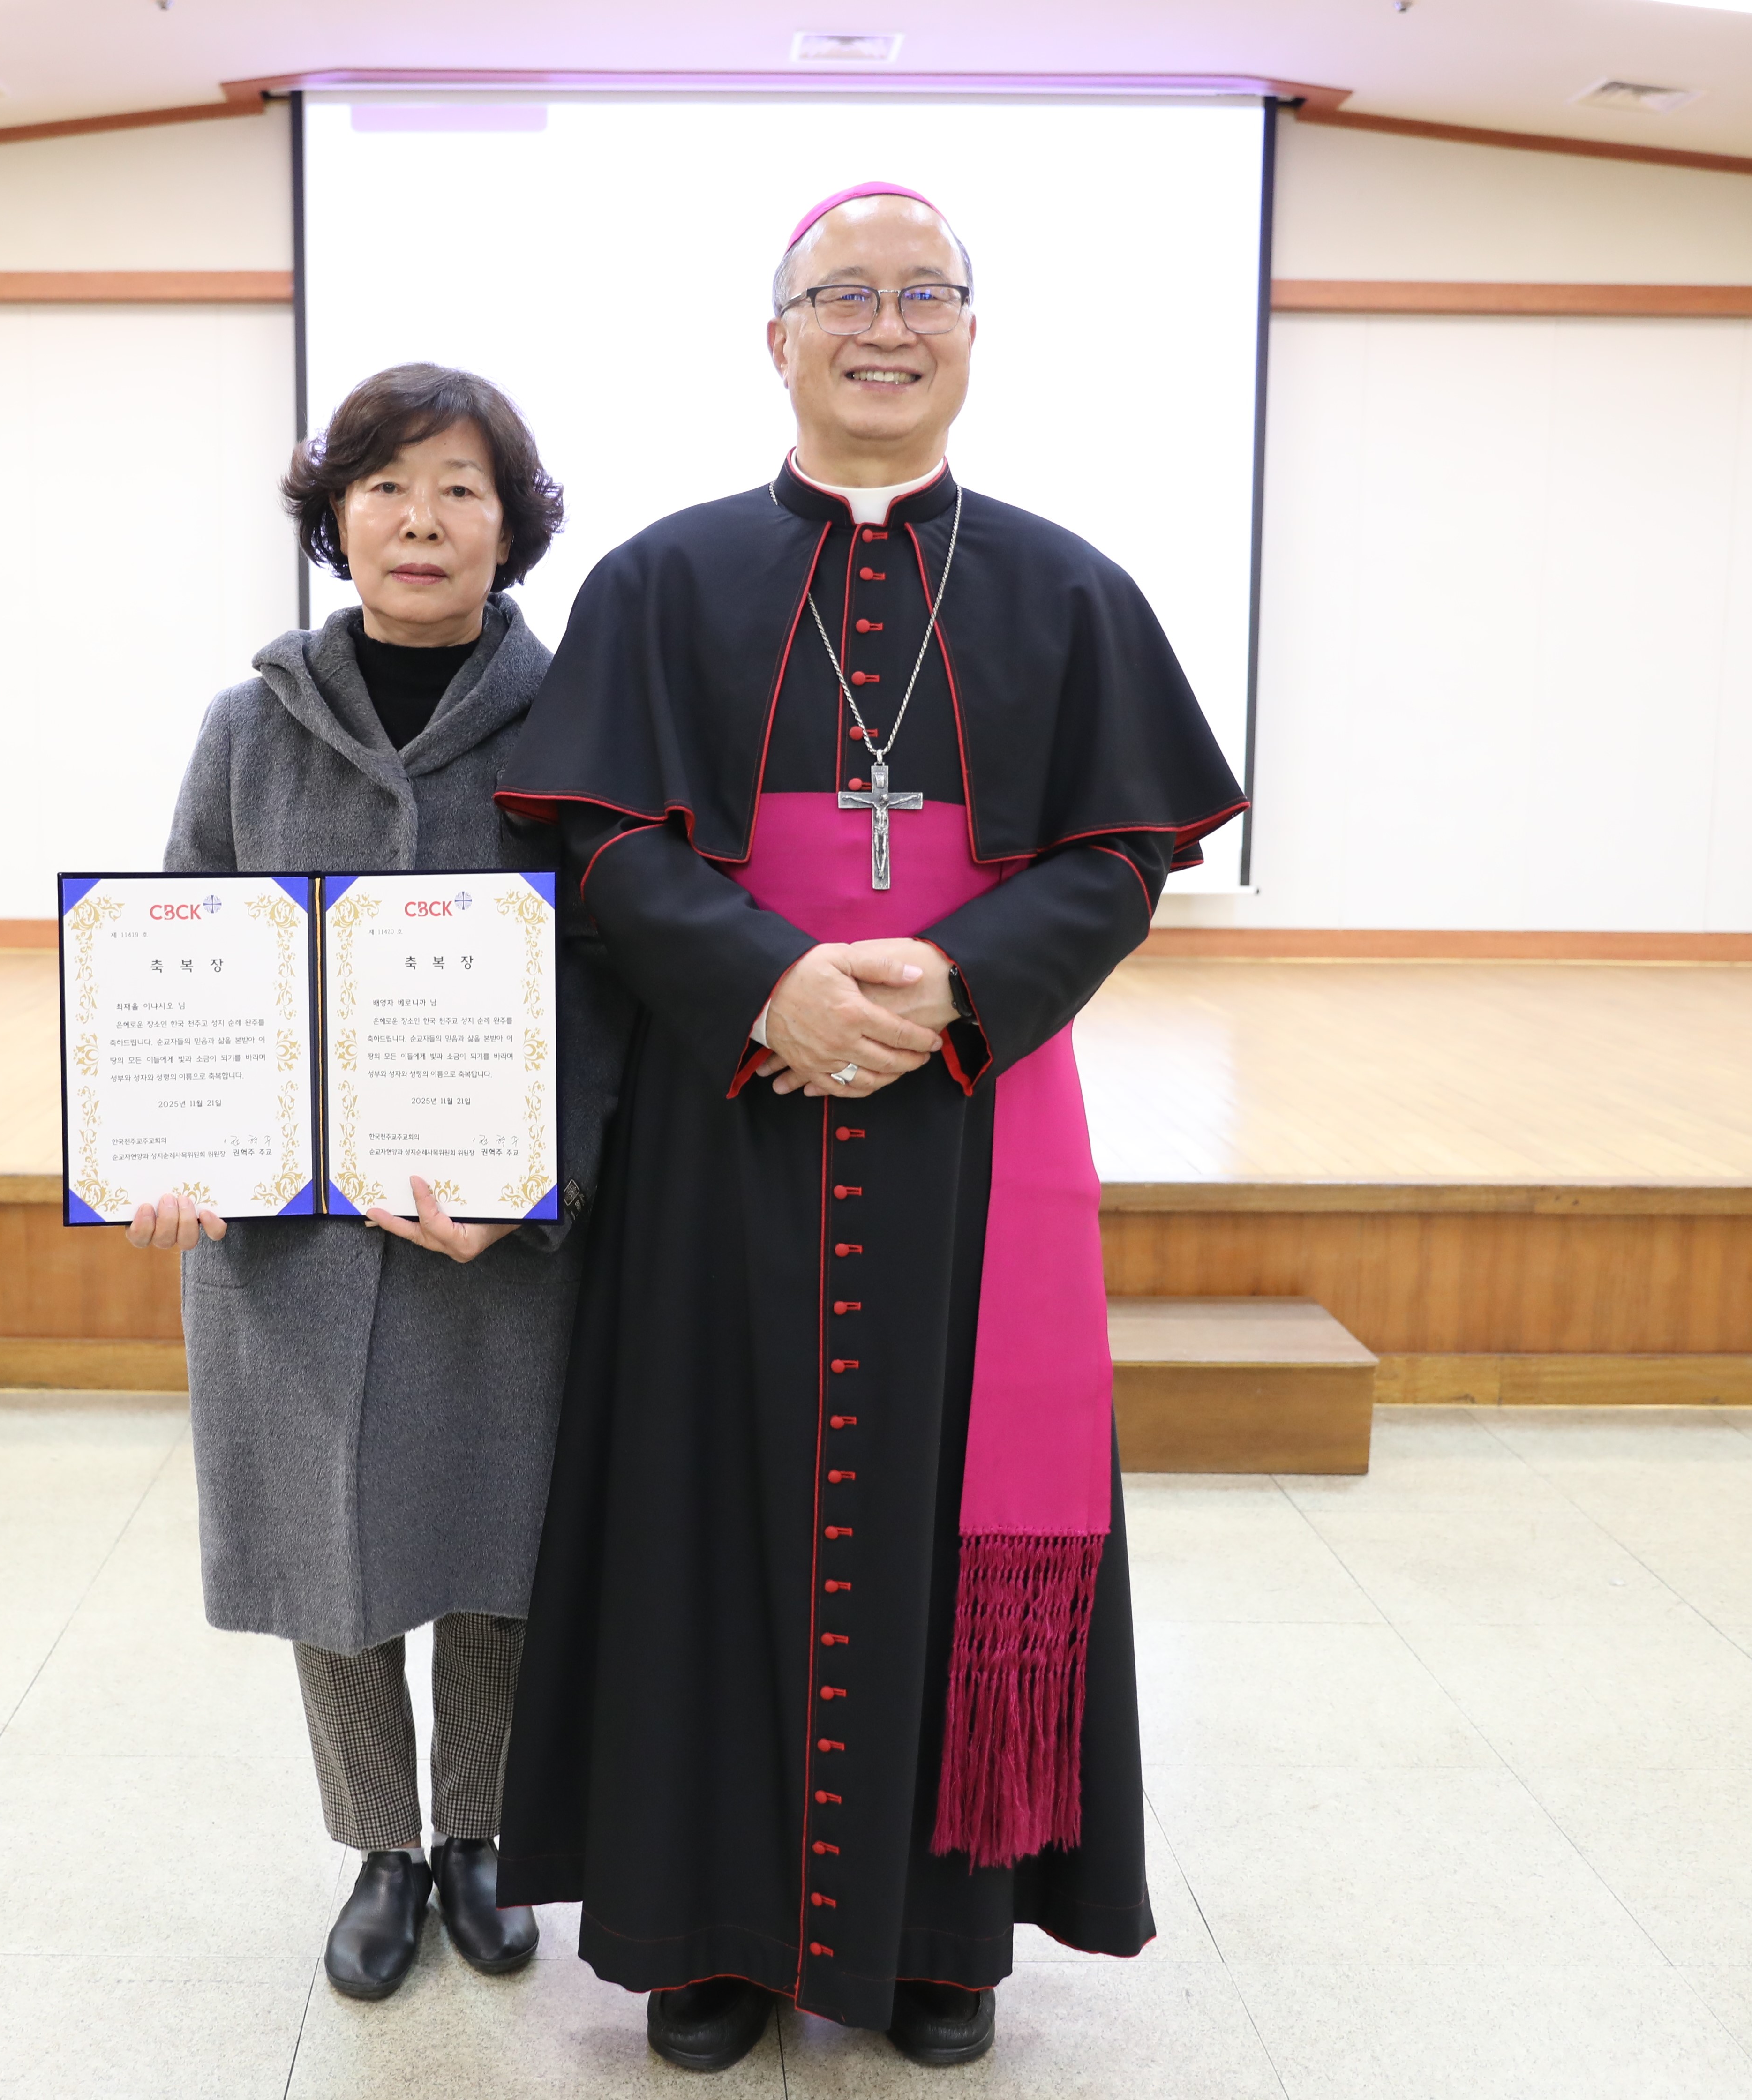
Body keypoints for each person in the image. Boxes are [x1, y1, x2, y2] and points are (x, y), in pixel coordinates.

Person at [490, 185, 1246, 2069]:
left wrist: (949, 986)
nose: (884, 326)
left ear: (971, 338)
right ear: (779, 340)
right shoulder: (660, 583)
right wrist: (772, 983)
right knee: (700, 1494)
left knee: (951, 1501)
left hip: (969, 1122)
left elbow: (1120, 850)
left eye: (925, 296)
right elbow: (599, 837)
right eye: (845, 296)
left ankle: (945, 1934)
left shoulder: (1070, 588)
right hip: (721, 1107)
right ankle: (701, 1933)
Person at [129, 363, 629, 2003]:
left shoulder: (581, 725)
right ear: (334, 517)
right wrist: (175, 1147)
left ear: (514, 524)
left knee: (497, 1544)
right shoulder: (247, 725)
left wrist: (534, 1186)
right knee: (325, 1552)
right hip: (295, 1240)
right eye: (389, 483)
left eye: (462, 486)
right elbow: (184, 956)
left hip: (498, 1228)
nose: (423, 517)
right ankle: (379, 1846)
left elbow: (618, 990)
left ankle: (481, 1833)